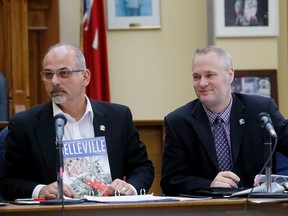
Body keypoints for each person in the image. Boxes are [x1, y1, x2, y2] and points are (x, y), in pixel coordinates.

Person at [0, 43, 154, 201]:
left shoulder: (118, 117)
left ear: (85, 77)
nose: (54, 81)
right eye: (48, 74)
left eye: (64, 73)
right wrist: (40, 190)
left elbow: (142, 167)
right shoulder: (25, 124)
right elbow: (7, 181)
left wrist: (131, 187)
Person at [160, 45, 288, 196]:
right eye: (196, 77)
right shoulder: (178, 122)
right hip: (207, 209)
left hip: (257, 206)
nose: (202, 83)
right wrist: (209, 185)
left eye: (210, 75)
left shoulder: (260, 110)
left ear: (230, 74)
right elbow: (170, 181)